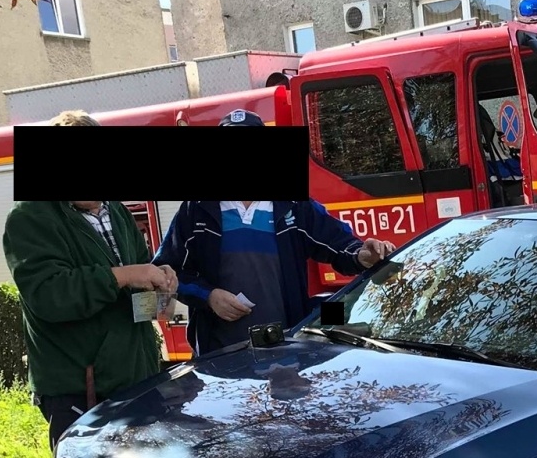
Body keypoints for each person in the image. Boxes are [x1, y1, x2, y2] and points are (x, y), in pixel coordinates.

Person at [155, 109, 398, 357]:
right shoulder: (197, 210)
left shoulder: (294, 205)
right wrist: (209, 296)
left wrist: (361, 256)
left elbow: (339, 245)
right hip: (220, 359)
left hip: (287, 357)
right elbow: (165, 273)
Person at [3, 110, 178, 447]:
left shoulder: (117, 211)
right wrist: (126, 275)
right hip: (79, 391)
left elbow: (137, 288)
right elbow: (49, 296)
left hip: (136, 377)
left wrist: (162, 291)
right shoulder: (30, 215)